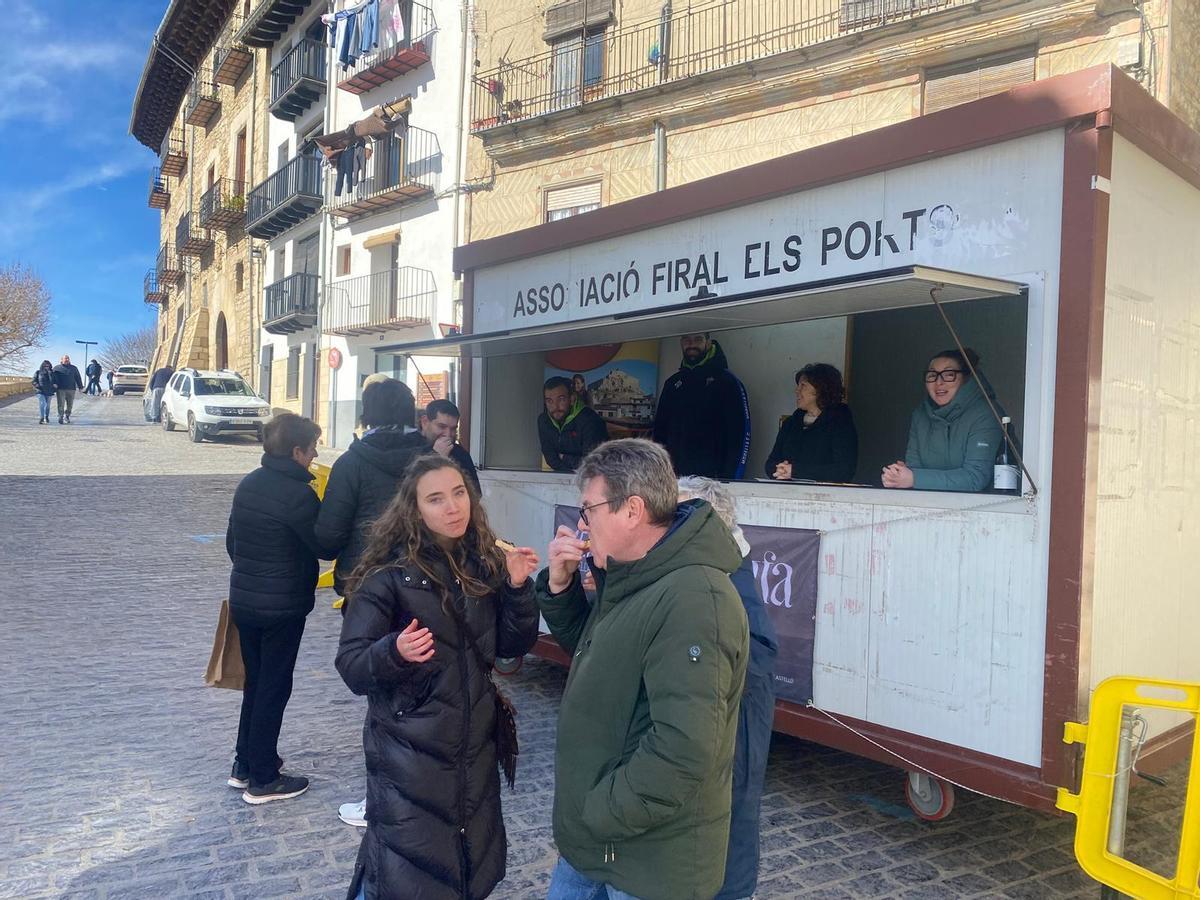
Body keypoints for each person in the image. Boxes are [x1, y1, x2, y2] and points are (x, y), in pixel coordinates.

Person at [536, 439, 749, 900]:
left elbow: (684, 749)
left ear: (632, 510)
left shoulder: (693, 596)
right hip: (597, 844)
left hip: (646, 861)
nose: (582, 524)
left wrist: (603, 810)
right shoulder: (638, 574)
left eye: (589, 509)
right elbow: (599, 659)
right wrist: (560, 586)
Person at [336, 454, 540, 900]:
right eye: (436, 499)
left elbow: (508, 648)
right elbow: (351, 665)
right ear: (414, 509)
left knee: (465, 869)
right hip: (412, 757)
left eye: (459, 493)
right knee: (407, 871)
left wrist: (519, 588)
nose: (453, 507)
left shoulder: (484, 562)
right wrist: (394, 651)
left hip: (474, 752)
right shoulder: (386, 577)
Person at [315, 377, 431, 829]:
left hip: (367, 592)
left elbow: (327, 538)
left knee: (381, 695)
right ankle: (423, 793)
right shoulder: (431, 461)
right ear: (410, 414)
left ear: (366, 414)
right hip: (429, 587)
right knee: (429, 691)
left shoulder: (351, 463)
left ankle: (382, 802)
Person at [677, 477, 777, 900]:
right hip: (716, 725)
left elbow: (755, 658)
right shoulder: (704, 570)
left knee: (732, 813)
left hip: (736, 726)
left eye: (679, 515)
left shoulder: (729, 577)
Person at [226, 413, 325, 804]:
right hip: (282, 607)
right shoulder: (299, 494)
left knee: (255, 682)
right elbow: (323, 545)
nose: (316, 455)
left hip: (245, 601)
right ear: (297, 451)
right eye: (313, 448)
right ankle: (264, 778)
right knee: (273, 686)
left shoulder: (248, 484)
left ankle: (244, 764)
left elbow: (232, 543)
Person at [882, 347, 1003, 492]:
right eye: (932, 375)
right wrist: (899, 475)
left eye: (949, 374)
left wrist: (914, 478)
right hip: (933, 505)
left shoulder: (986, 414)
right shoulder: (920, 415)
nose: (939, 382)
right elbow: (915, 468)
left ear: (965, 378)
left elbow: (975, 478)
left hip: (989, 508)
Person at [652, 333, 750, 480]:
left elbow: (741, 434)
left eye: (698, 339)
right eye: (687, 340)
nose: (692, 345)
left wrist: (731, 479)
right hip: (675, 479)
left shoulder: (727, 382)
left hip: (713, 481)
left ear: (708, 342)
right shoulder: (672, 383)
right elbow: (660, 433)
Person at [764, 363, 858, 482]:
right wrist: (779, 469)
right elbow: (771, 463)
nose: (797, 391)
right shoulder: (791, 423)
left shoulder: (840, 423)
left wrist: (795, 471)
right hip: (788, 493)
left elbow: (844, 471)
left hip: (826, 497)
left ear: (820, 389)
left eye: (803, 386)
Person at [537, 376, 608, 473]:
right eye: (549, 401)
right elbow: (550, 459)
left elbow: (592, 464)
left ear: (572, 399)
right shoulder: (544, 420)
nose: (555, 407)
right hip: (560, 479)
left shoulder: (591, 420)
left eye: (561, 399)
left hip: (593, 481)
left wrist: (563, 457)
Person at [419, 398, 480, 491]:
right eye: (441, 427)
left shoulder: (460, 454)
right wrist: (436, 457)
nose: (448, 434)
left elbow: (475, 492)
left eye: (453, 429)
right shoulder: (409, 447)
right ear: (425, 422)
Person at [51, 355, 83, 424]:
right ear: (61, 359)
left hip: (71, 389)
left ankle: (67, 416)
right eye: (65, 358)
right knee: (61, 403)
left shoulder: (74, 368)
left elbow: (78, 377)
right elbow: (52, 377)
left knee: (70, 404)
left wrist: (80, 387)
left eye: (68, 358)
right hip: (60, 389)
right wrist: (54, 384)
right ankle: (60, 416)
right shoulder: (57, 368)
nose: (67, 360)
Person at [32, 360, 56, 425]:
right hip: (40, 391)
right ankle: (42, 418)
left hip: (49, 391)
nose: (46, 367)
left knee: (47, 405)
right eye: (45, 366)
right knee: (43, 404)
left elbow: (55, 381)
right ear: (42, 366)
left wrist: (55, 385)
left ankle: (46, 417)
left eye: (48, 366)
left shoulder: (52, 373)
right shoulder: (38, 372)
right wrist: (37, 385)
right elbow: (34, 381)